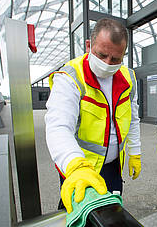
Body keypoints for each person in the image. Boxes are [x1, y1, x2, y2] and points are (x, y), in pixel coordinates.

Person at [45, 18, 141, 214]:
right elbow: (58, 127)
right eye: (102, 55)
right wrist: (76, 166)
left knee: (112, 214)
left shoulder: (128, 78)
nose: (107, 64)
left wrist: (135, 152)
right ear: (89, 45)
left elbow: (133, 119)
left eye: (115, 59)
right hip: (80, 168)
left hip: (113, 168)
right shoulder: (71, 77)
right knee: (77, 218)